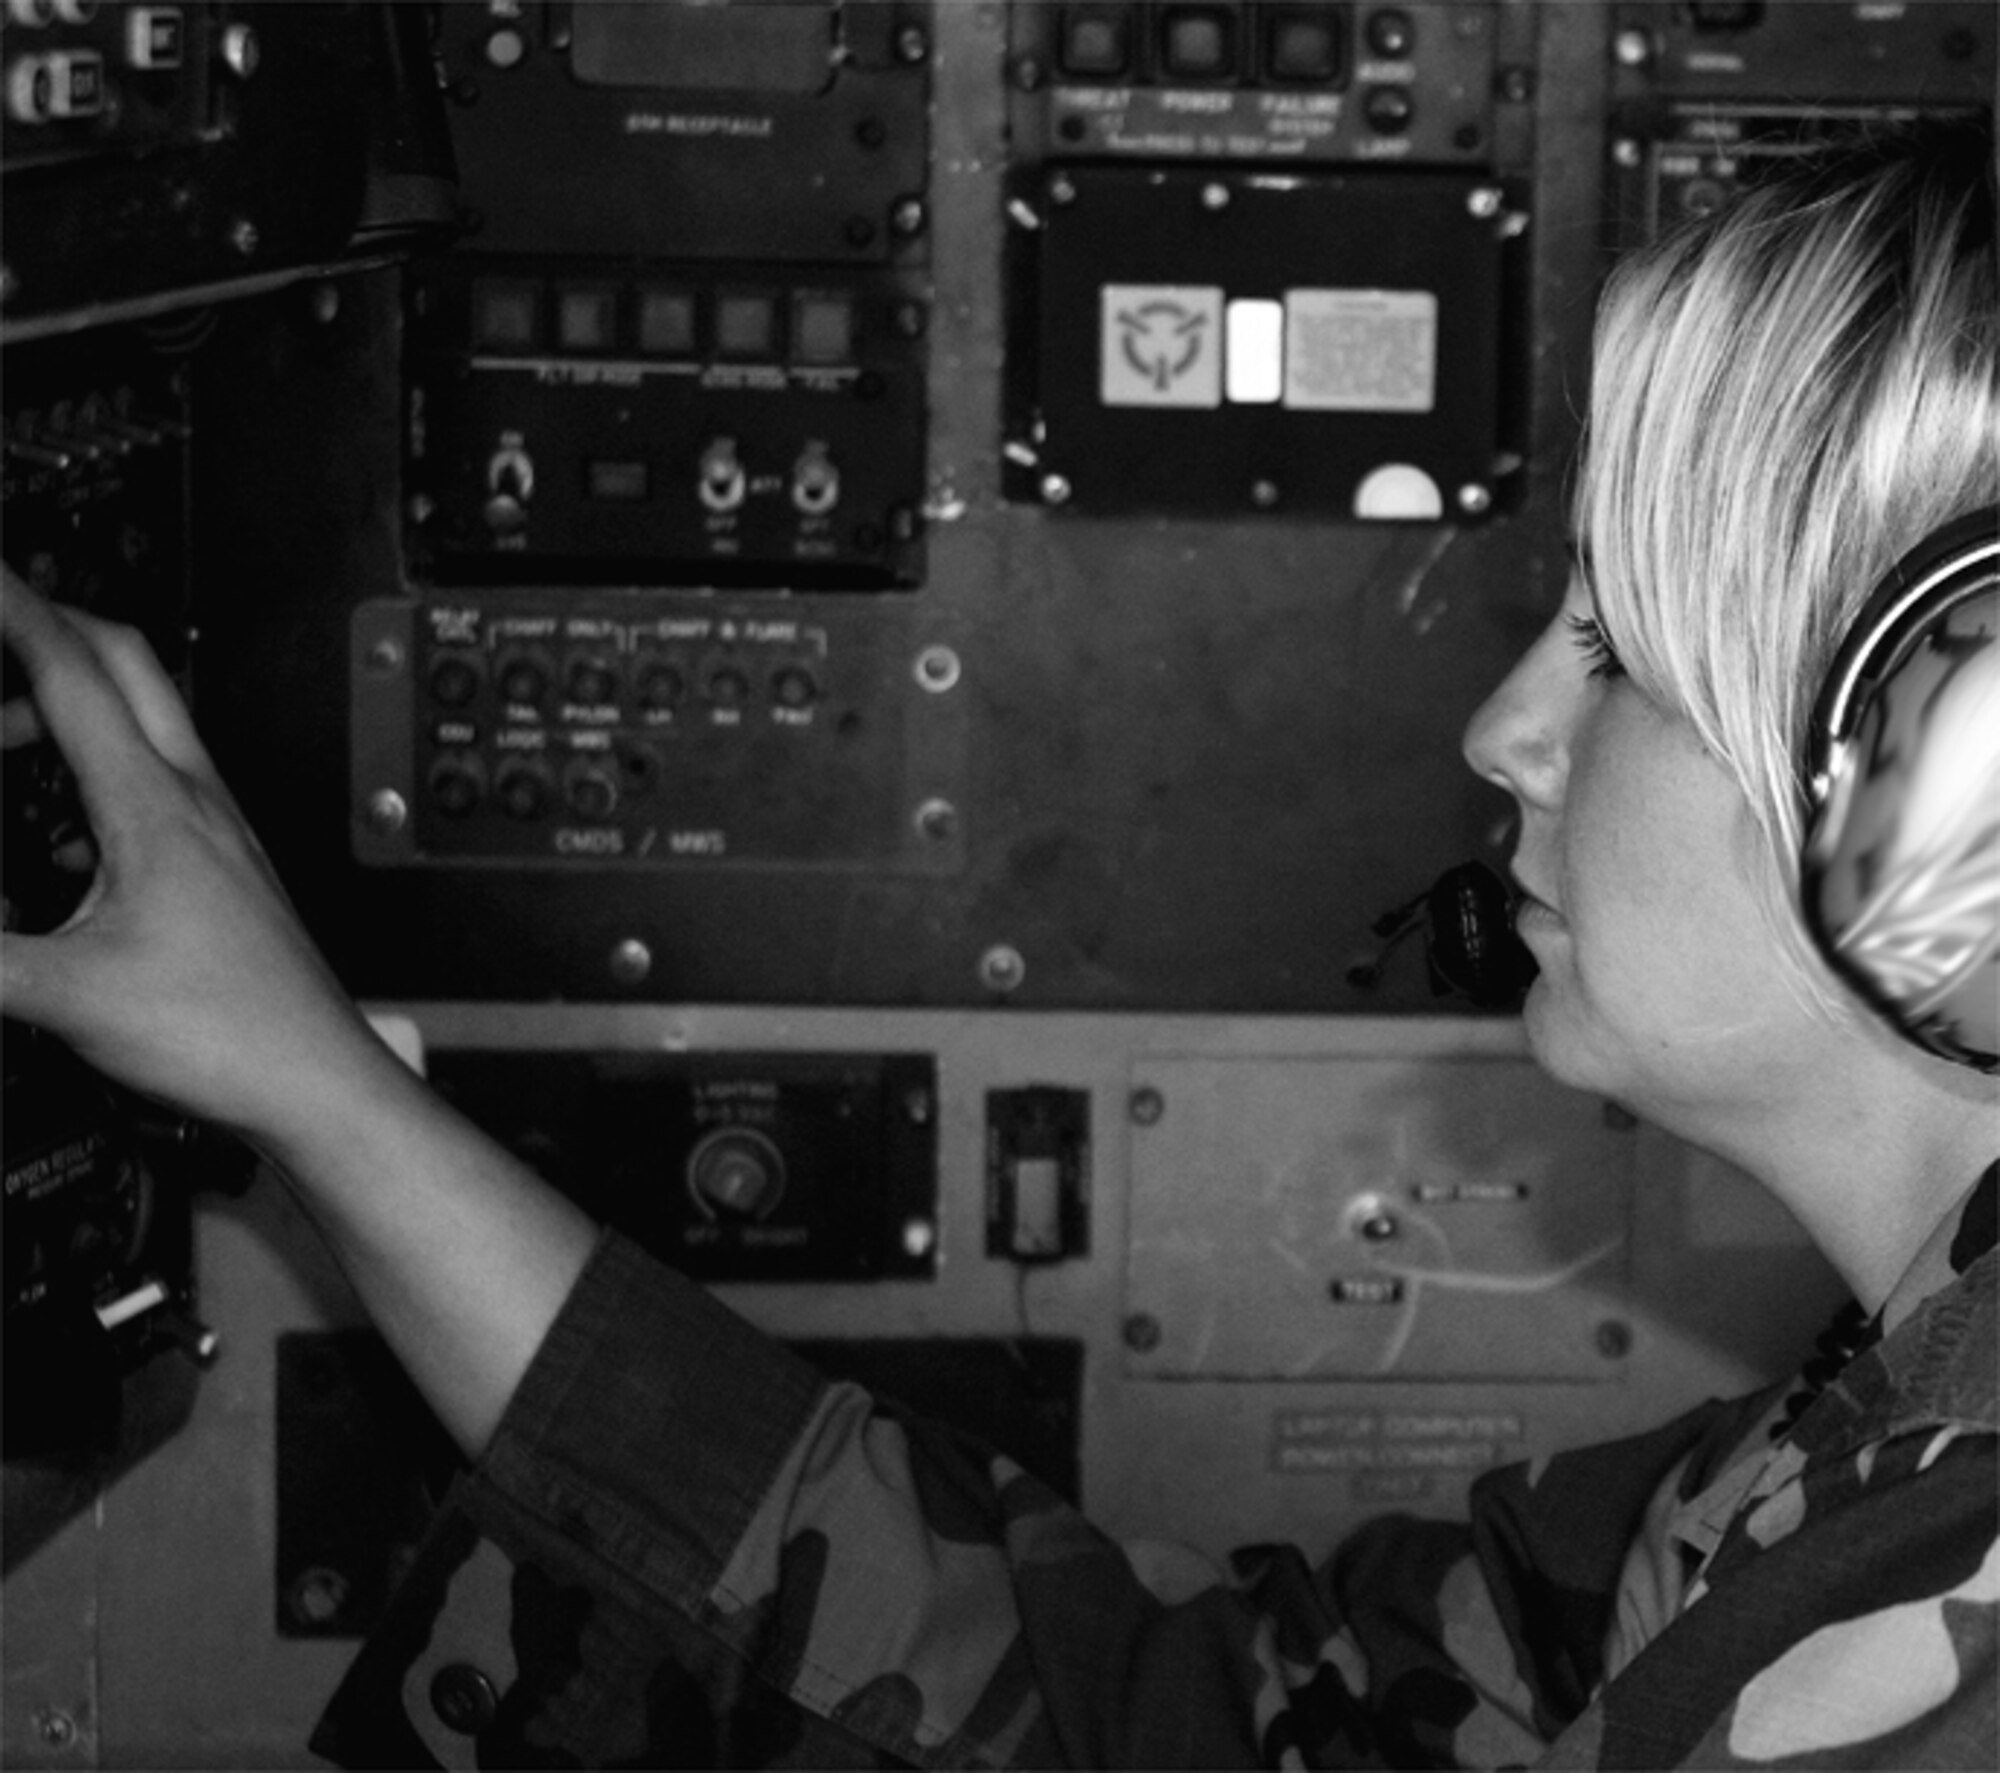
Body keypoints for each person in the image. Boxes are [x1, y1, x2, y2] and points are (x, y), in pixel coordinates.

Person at [2, 119, 1994, 1770]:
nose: (1505, 732)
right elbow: (1178, 1717)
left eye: (1623, 645)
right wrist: (311, 1088)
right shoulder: (1871, 1465)